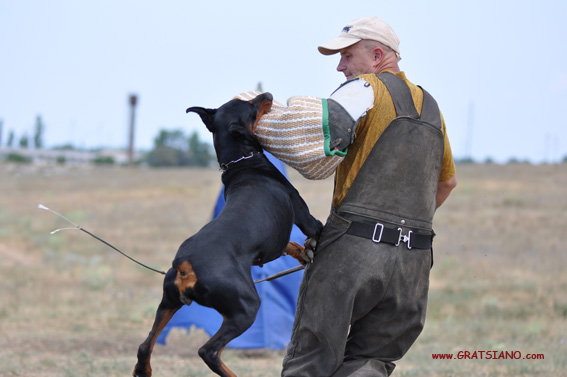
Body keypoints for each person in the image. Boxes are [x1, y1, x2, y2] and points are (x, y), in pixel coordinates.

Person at [237, 16, 456, 377]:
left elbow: (310, 136)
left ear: (376, 55)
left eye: (346, 56)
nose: (340, 67)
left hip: (353, 253)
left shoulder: (365, 88)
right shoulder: (431, 108)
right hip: (413, 262)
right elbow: (447, 183)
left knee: (310, 364)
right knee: (371, 363)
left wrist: (248, 114)